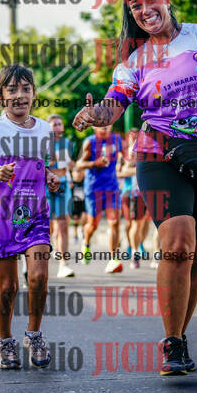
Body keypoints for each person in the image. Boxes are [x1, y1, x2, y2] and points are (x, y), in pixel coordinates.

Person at [73, 0, 197, 375]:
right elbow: (113, 105)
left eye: (152, 0)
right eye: (136, 6)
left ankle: (181, 332)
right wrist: (95, 114)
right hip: (158, 153)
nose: (145, 10)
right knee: (177, 243)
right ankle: (172, 342)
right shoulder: (133, 62)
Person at [0, 64, 60, 369]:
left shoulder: (44, 129)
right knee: (8, 287)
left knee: (39, 277)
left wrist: (50, 176)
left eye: (25, 89)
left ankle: (34, 334)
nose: (19, 95)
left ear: (34, 93)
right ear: (1, 96)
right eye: (12, 90)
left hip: (35, 214)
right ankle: (5, 340)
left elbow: (43, 166)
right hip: (2, 216)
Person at [76, 124, 123, 273]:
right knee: (93, 224)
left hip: (112, 187)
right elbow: (79, 164)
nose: (105, 127)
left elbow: (123, 155)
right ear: (95, 127)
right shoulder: (89, 142)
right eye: (101, 124)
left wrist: (122, 162)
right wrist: (95, 163)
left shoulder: (117, 139)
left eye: (107, 123)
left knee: (114, 222)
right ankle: (86, 243)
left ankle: (113, 259)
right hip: (94, 188)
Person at [46, 114, 75, 278]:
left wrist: (72, 165)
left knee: (63, 225)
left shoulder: (68, 144)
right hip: (47, 186)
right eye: (54, 124)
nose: (58, 127)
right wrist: (50, 161)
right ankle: (45, 251)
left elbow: (71, 166)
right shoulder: (42, 144)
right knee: (47, 226)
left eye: (59, 124)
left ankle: (64, 264)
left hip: (63, 186)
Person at [70, 165, 87, 243]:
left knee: (84, 218)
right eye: (76, 172)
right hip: (75, 203)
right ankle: (75, 234)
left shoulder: (84, 182)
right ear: (73, 173)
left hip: (83, 202)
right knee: (76, 220)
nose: (78, 174)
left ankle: (83, 231)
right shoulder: (71, 183)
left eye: (80, 172)